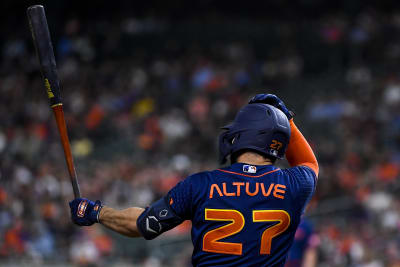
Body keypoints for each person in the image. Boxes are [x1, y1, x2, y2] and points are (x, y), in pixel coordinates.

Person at [69, 94, 318, 266]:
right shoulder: (295, 185)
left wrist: (95, 211)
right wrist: (288, 121)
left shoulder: (201, 185)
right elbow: (310, 163)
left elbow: (142, 224)